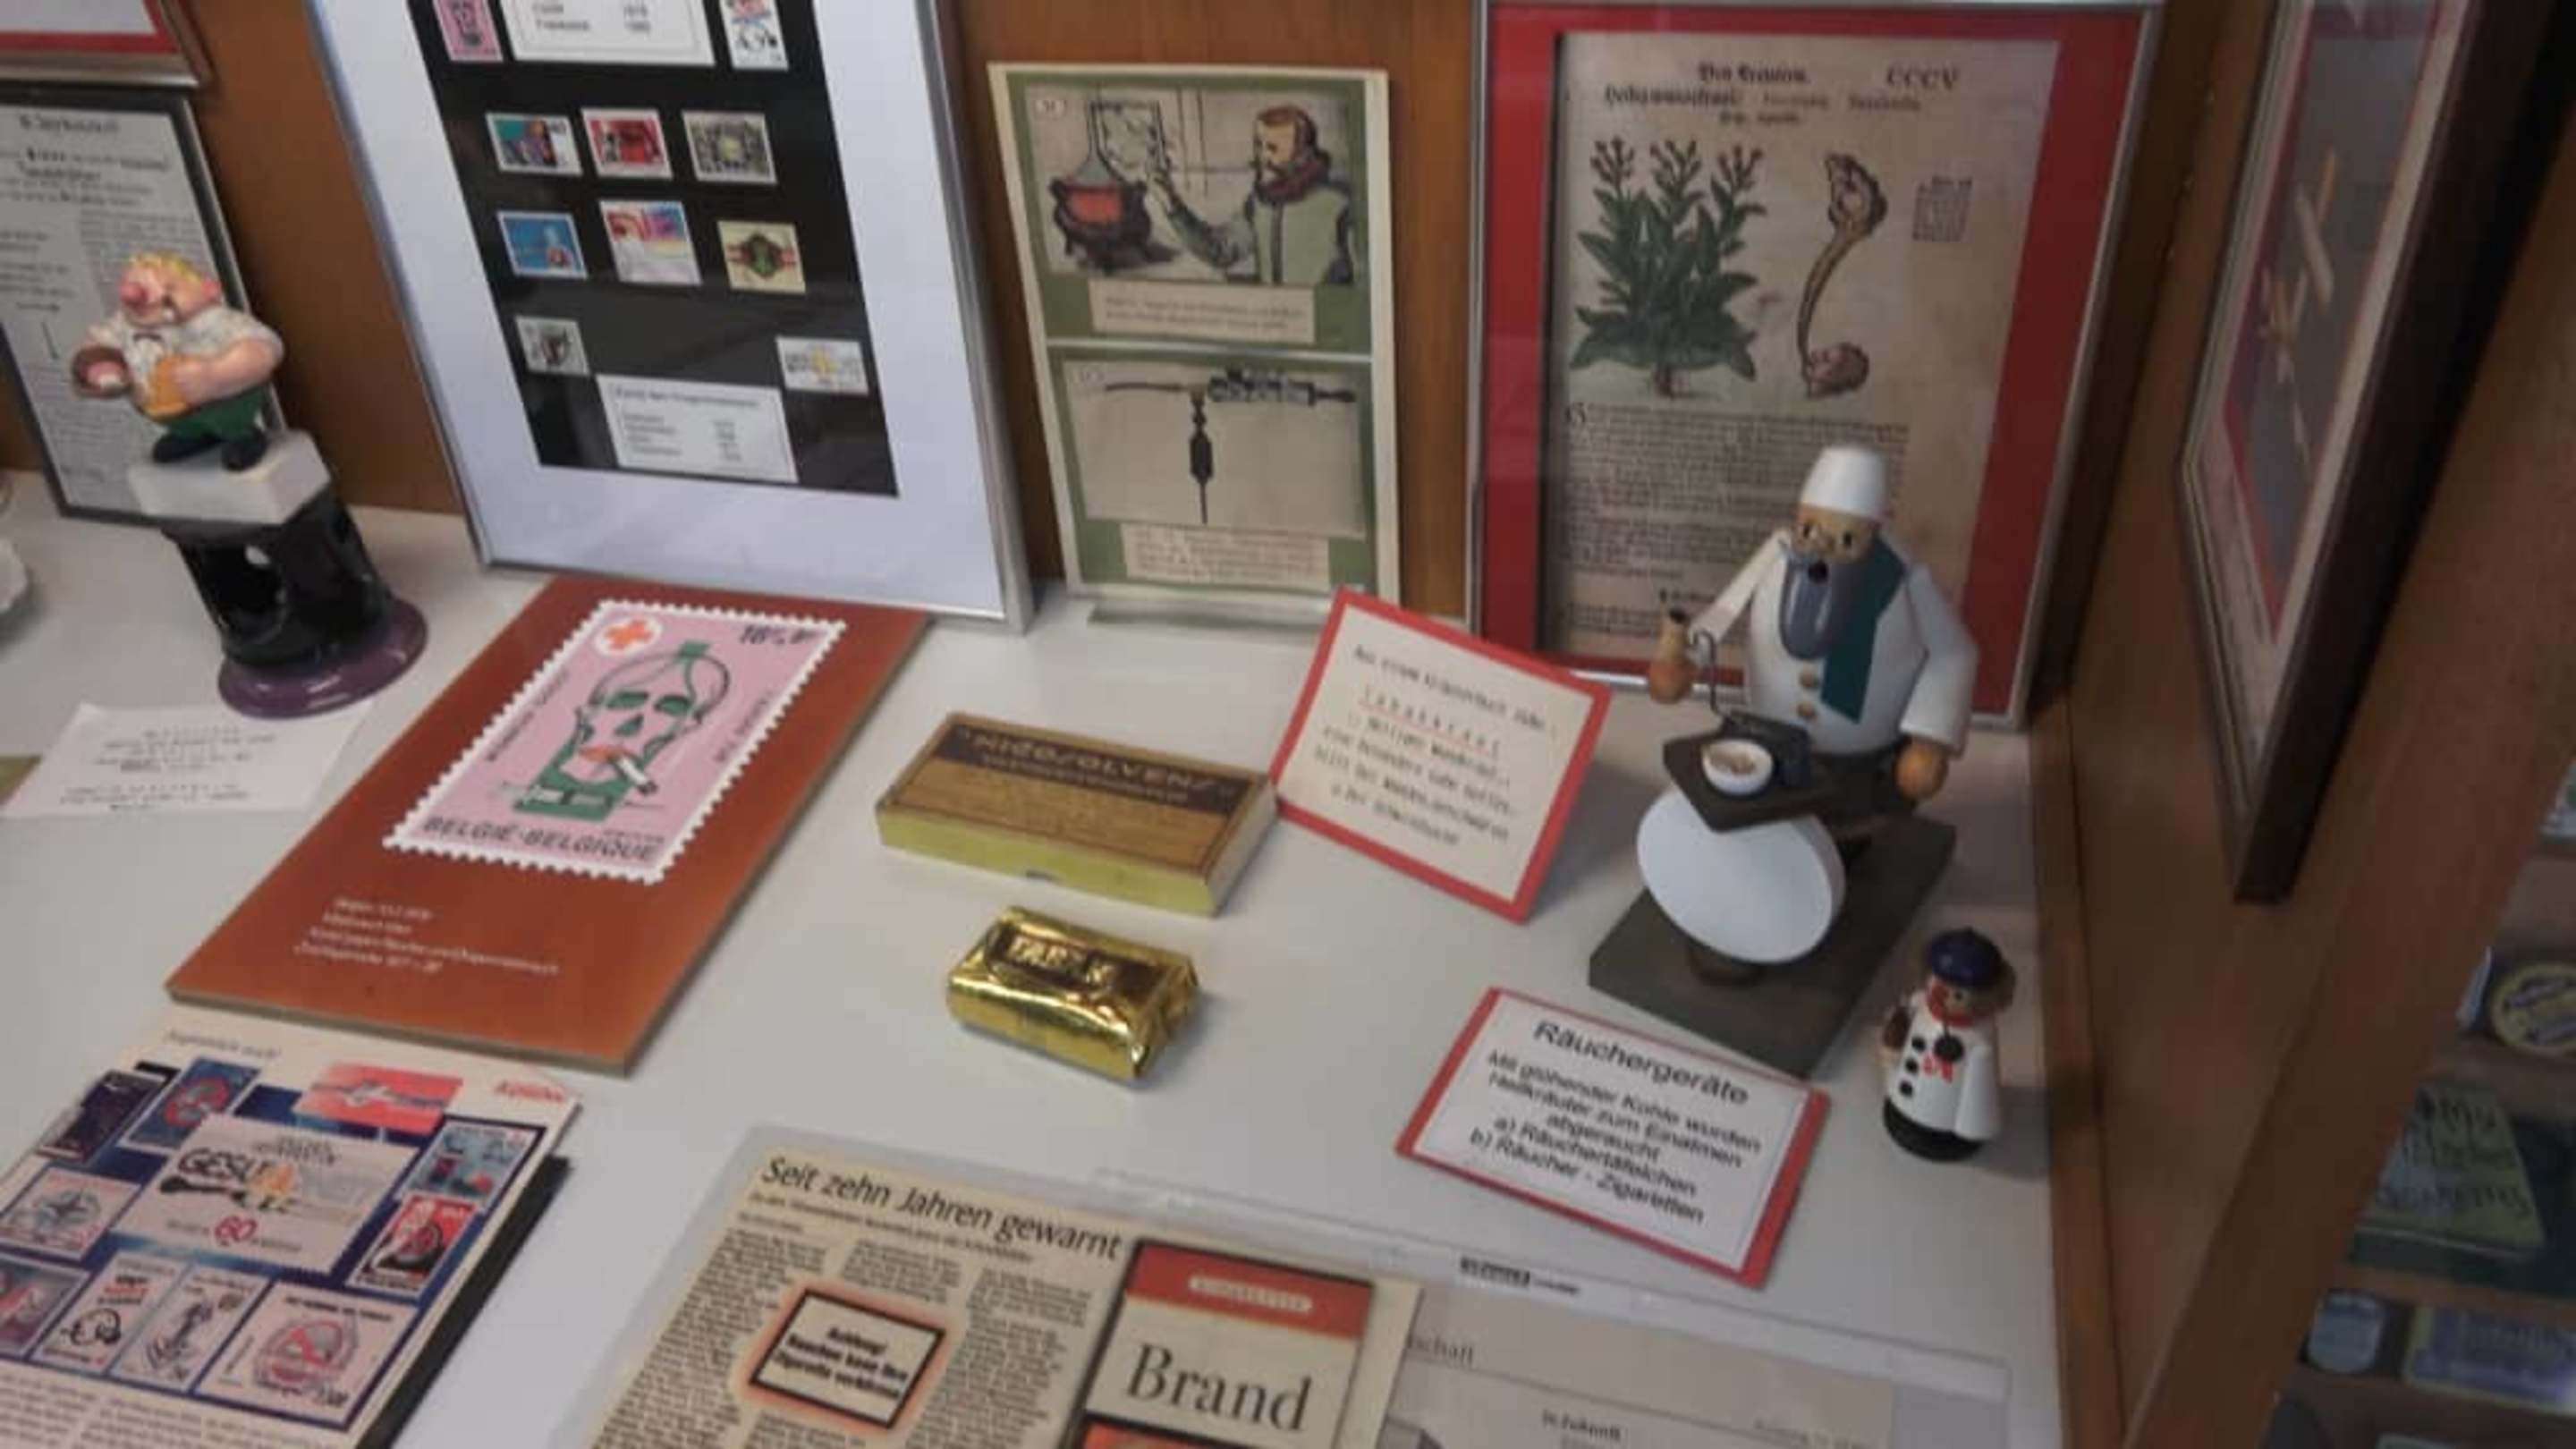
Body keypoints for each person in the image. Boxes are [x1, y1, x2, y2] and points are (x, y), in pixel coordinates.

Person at [1646, 445, 1975, 838]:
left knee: (1853, 823)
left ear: (1873, 532)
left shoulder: (1905, 578)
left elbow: (1954, 653)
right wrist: (1686, 660)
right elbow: (1726, 609)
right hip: (1771, 740)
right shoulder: (1778, 554)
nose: (1819, 547)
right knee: (1775, 820)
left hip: (1860, 756)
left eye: (1846, 538)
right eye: (1808, 530)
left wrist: (1930, 738)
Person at [68, 253, 283, 472]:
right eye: (130, 285)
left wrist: (217, 374)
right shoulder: (123, 325)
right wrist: (101, 366)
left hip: (222, 401)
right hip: (158, 406)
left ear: (209, 289)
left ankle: (242, 436)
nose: (136, 295)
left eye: (169, 288)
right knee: (182, 425)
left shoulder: (218, 322)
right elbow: (100, 342)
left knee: (228, 419)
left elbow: (263, 347)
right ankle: (190, 435)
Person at [1149, 105, 1354, 286]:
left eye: (1272, 148)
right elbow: (1220, 251)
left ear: (1304, 155)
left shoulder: (1340, 203)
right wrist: (1171, 203)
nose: (1261, 157)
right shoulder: (1259, 202)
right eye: (1258, 145)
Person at [1878, 928, 2013, 1160]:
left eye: (1957, 994)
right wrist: (1893, 1036)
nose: (1940, 995)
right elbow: (1900, 1022)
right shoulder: (1920, 1004)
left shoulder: (1979, 1041)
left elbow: (1979, 1093)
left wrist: (1973, 1126)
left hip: (1949, 1126)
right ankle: (1907, 1111)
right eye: (1936, 982)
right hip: (1902, 1104)